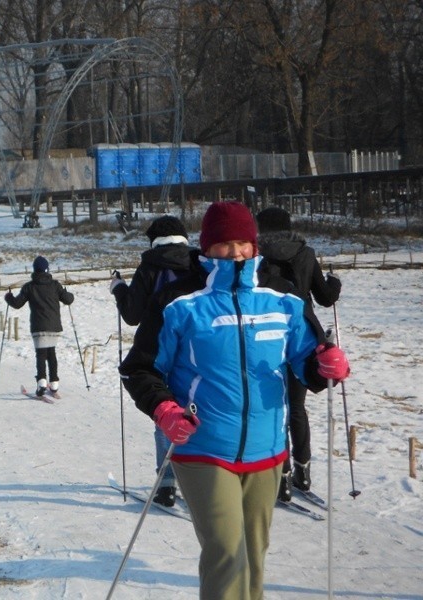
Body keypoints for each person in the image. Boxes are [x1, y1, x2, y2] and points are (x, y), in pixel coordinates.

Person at [119, 201, 350, 599]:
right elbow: (139, 369)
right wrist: (164, 408)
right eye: (225, 244)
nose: (236, 252)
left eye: (244, 242)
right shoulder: (178, 302)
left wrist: (325, 364)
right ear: (206, 248)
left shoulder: (282, 296)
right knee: (227, 553)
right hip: (203, 447)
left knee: (254, 557)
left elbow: (306, 360)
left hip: (268, 449)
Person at [256, 206, 342, 501]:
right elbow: (325, 297)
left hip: (268, 335)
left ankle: (281, 477)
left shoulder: (258, 256)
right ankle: (303, 470)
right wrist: (334, 284)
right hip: (303, 333)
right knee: (297, 407)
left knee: (275, 409)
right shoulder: (305, 253)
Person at [110, 215, 193, 508]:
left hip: (156, 347)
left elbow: (132, 315)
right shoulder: (198, 262)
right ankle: (202, 475)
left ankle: (167, 484)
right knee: (196, 404)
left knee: (165, 410)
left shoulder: (150, 265)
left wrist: (118, 288)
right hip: (195, 345)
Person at [5, 256, 74, 397]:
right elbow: (68, 300)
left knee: (41, 354)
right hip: (54, 326)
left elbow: (17, 304)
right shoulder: (55, 285)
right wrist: (68, 293)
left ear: (35, 270)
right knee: (51, 353)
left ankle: (42, 382)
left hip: (38, 326)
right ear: (47, 269)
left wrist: (9, 298)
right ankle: (54, 384)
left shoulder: (29, 287)